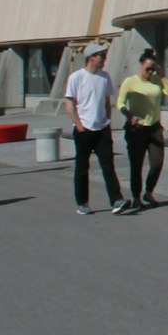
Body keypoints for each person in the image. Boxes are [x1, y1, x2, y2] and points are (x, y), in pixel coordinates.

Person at [65, 42, 130, 215]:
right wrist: (79, 126)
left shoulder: (105, 77)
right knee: (82, 167)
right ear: (91, 57)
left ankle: (117, 199)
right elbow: (69, 105)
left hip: (102, 128)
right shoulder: (77, 77)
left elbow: (107, 101)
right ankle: (82, 202)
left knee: (108, 165)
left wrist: (107, 119)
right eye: (101, 56)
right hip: (84, 129)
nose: (104, 59)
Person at [115, 49, 168, 208]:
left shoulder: (156, 81)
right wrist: (129, 115)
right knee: (136, 164)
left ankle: (149, 191)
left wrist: (162, 75)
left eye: (153, 69)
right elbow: (120, 102)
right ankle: (136, 196)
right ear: (141, 66)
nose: (150, 72)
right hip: (137, 128)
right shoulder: (130, 82)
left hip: (154, 127)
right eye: (148, 69)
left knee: (157, 162)